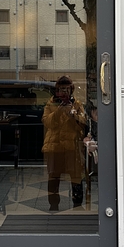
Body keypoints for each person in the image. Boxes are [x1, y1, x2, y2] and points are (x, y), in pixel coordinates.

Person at [42, 76, 87, 211]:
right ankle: (53, 205)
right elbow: (47, 122)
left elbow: (83, 124)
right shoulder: (51, 104)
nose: (64, 92)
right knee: (53, 176)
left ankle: (77, 205)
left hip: (72, 146)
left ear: (71, 90)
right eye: (61, 89)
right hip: (54, 146)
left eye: (66, 89)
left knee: (76, 176)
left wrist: (73, 115)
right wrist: (59, 111)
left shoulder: (77, 104)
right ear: (57, 90)